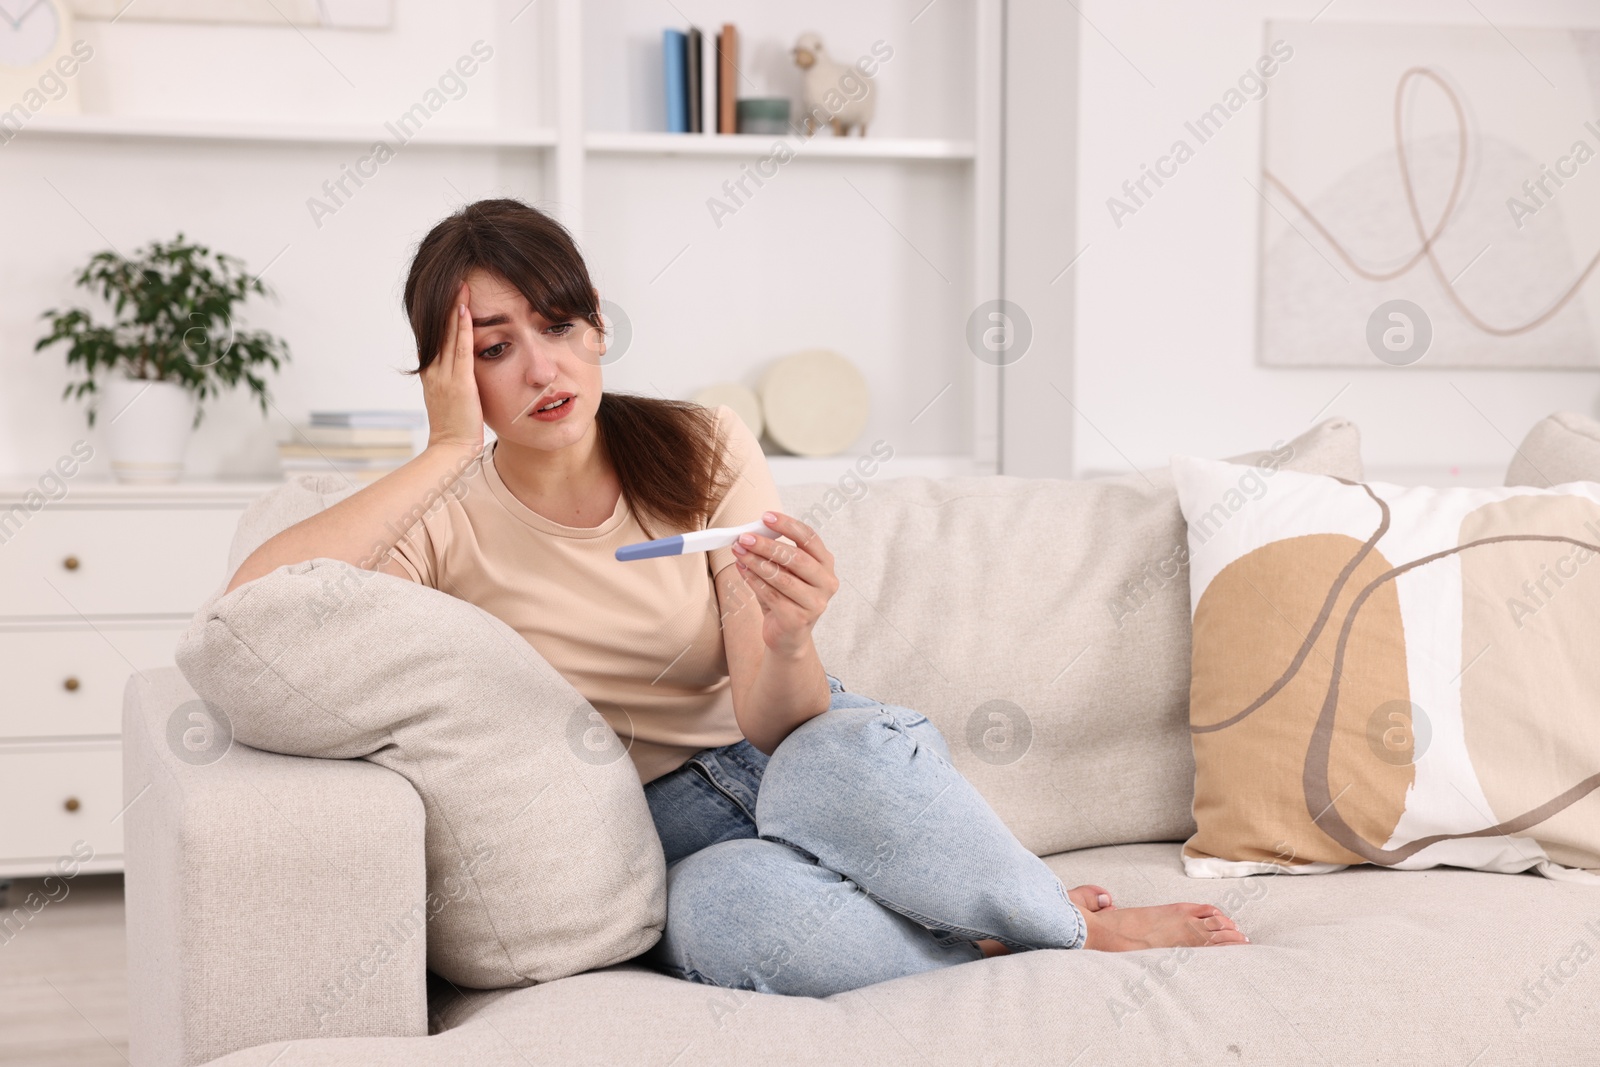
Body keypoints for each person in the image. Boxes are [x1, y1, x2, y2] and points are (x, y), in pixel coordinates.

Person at [225, 198, 1247, 998]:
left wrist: (790, 630)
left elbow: (778, 713)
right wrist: (447, 447)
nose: (542, 365)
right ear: (450, 377)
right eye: (493, 347)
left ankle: (1070, 928)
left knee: (854, 753)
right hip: (655, 830)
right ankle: (987, 932)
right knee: (731, 925)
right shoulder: (442, 515)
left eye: (558, 322)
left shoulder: (698, 441)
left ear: (596, 326)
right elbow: (256, 603)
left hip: (787, 750)